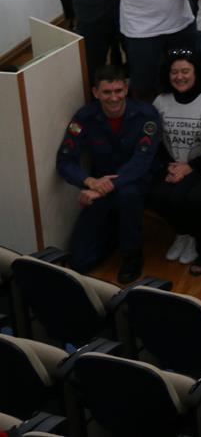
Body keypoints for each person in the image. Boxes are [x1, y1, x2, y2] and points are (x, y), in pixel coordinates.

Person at [57, 66, 159, 282]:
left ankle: (132, 256)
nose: (114, 98)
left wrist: (104, 187)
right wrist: (89, 182)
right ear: (95, 92)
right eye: (107, 92)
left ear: (126, 88)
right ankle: (113, 235)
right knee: (80, 261)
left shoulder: (146, 115)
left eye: (118, 91)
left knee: (127, 196)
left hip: (136, 183)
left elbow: (141, 162)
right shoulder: (85, 117)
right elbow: (65, 161)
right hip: (100, 185)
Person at [149, 50, 201, 269]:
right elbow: (156, 140)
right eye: (175, 72)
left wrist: (189, 167)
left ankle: (195, 237)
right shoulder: (160, 101)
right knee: (156, 195)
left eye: (185, 71)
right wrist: (171, 166)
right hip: (172, 164)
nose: (180, 77)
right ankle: (182, 233)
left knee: (182, 196)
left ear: (196, 73)